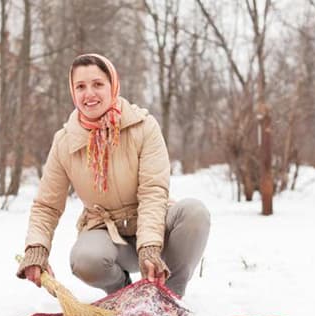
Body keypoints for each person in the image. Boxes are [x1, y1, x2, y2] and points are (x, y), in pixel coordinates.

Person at [17, 53, 210, 298]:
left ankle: (170, 296)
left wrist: (150, 246)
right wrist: (37, 249)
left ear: (113, 86)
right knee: (85, 259)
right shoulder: (65, 141)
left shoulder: (143, 127)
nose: (89, 94)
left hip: (152, 225)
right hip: (108, 233)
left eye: (98, 84)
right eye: (81, 86)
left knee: (195, 212)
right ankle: (121, 294)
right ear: (72, 91)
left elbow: (153, 191)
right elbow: (47, 204)